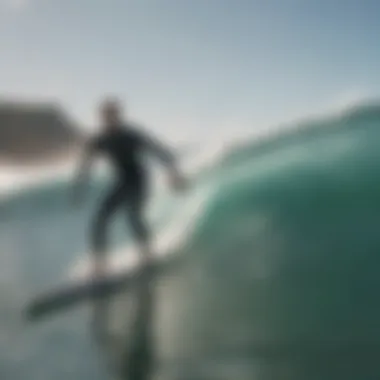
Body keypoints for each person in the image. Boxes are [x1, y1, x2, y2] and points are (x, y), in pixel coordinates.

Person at [72, 97, 186, 278]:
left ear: (118, 115)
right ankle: (100, 266)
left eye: (113, 114)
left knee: (133, 216)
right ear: (102, 117)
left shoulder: (131, 135)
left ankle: (148, 256)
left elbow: (158, 149)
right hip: (122, 181)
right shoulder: (99, 140)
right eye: (106, 115)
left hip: (139, 180)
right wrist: (78, 187)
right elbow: (85, 165)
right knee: (100, 219)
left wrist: (174, 172)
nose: (110, 119)